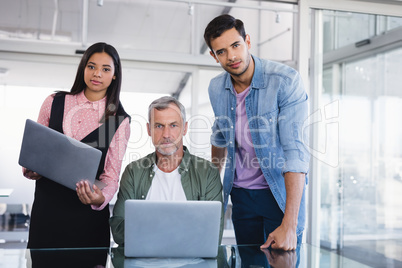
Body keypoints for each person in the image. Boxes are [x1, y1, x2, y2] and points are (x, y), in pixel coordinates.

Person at [204, 14, 310, 251]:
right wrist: (213, 191)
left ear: (247, 41)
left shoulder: (285, 81)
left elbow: (295, 153)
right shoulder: (215, 88)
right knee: (249, 263)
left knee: (283, 261)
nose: (231, 56)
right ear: (213, 55)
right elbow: (219, 137)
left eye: (235, 45)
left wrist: (289, 224)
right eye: (221, 51)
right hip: (241, 197)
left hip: (279, 196)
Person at [22, 42, 131, 248]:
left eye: (105, 69)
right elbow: (35, 150)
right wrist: (30, 168)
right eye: (91, 66)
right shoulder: (54, 102)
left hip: (86, 220)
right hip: (47, 213)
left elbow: (111, 176)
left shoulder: (119, 120)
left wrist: (99, 198)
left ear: (114, 75)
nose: (97, 73)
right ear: (83, 68)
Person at [110, 96, 223, 245]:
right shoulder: (133, 172)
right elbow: (118, 231)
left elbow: (213, 234)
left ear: (185, 128)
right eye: (158, 126)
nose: (166, 135)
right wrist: (181, 229)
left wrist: (148, 227)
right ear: (149, 130)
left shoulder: (207, 172)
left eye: (173, 125)